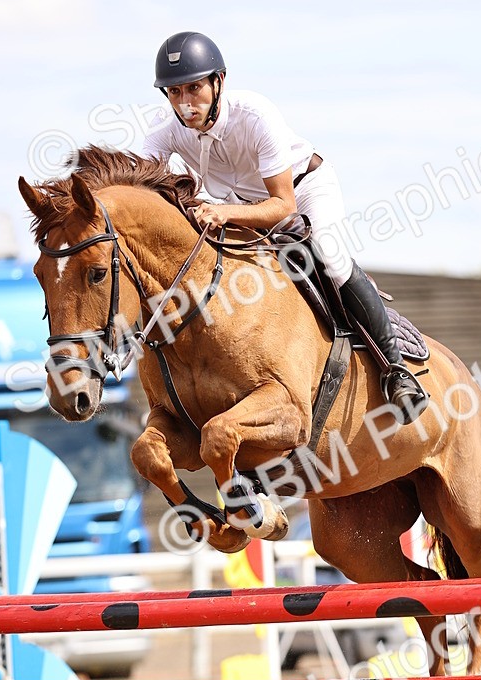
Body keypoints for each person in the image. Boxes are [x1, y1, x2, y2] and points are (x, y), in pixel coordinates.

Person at [142, 30, 428, 421]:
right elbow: (139, 186)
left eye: (194, 88)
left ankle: (397, 372)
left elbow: (282, 206)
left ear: (218, 81)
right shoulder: (165, 129)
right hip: (240, 206)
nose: (186, 103)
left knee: (329, 256)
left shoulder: (255, 114)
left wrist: (222, 213)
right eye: (175, 92)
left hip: (302, 189)